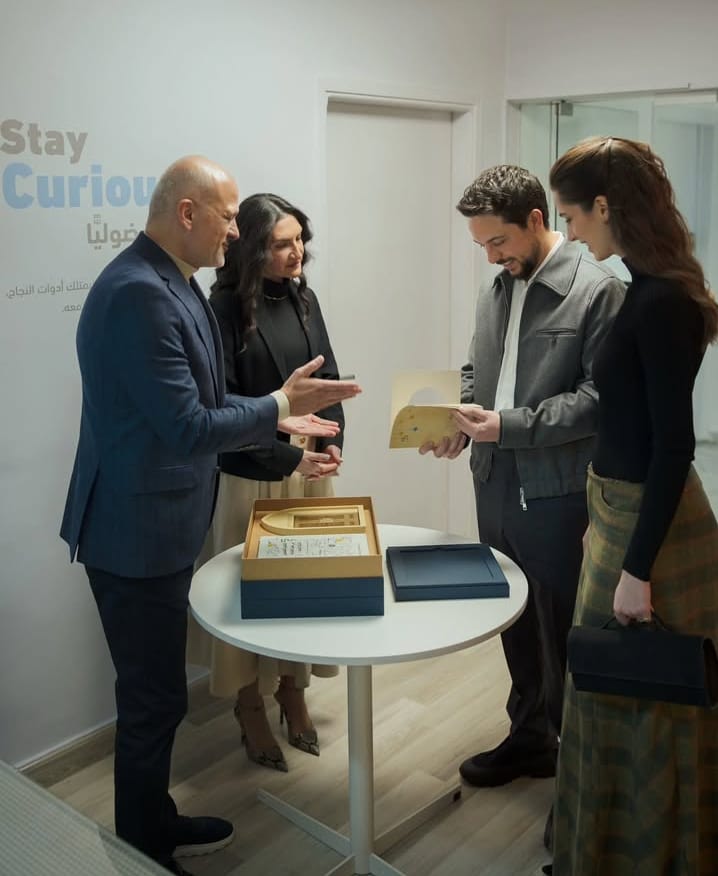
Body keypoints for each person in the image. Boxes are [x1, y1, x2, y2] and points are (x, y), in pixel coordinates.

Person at [59, 156, 361, 875]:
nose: (235, 231)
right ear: (187, 213)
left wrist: (278, 419)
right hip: (133, 533)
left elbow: (212, 402)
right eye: (227, 217)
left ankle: (153, 821)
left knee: (159, 696)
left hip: (158, 523)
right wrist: (280, 406)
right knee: (152, 700)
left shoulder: (175, 282)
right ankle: (143, 846)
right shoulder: (140, 294)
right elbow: (188, 426)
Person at [420, 165, 624, 806]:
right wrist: (458, 424)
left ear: (536, 220)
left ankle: (582, 782)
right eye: (481, 244)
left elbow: (599, 400)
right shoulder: (497, 286)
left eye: (498, 241)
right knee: (514, 617)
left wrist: (505, 426)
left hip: (559, 489)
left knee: (561, 631)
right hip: (494, 478)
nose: (490, 256)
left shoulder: (597, 290)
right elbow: (478, 369)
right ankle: (530, 737)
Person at [544, 137, 718, 875]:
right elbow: (627, 427)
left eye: (571, 216)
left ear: (605, 206)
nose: (570, 231)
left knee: (645, 702)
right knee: (605, 691)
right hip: (620, 514)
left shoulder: (662, 301)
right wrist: (598, 520)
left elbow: (673, 446)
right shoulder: (643, 286)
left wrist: (637, 569)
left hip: (656, 529)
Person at [188, 193, 345, 772]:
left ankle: (292, 692)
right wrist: (284, 458)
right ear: (253, 248)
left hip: (307, 473)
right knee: (247, 600)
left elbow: (328, 378)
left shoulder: (305, 297)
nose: (296, 252)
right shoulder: (221, 308)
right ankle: (250, 703)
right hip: (250, 476)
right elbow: (220, 407)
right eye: (282, 243)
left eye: (300, 239)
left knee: (305, 592)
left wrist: (333, 442)